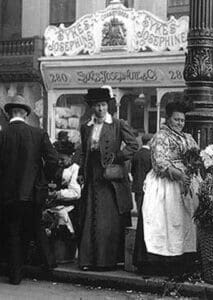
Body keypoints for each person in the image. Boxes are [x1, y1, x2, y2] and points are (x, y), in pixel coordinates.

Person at [0, 95, 59, 285]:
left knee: (13, 232)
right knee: (36, 227)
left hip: (8, 194)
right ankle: (49, 267)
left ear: (11, 113)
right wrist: (44, 179)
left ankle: (15, 275)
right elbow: (53, 160)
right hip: (33, 191)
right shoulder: (38, 134)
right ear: (25, 114)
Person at [133, 101, 199, 276]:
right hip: (167, 182)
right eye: (176, 119)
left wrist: (192, 170)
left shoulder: (187, 137)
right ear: (168, 119)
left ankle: (183, 260)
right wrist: (179, 175)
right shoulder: (161, 136)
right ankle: (160, 263)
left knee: (184, 220)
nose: (180, 123)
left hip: (185, 181)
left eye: (182, 120)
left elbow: (195, 157)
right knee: (163, 219)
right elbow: (160, 161)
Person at [78, 87, 138, 271]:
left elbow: (133, 145)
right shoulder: (86, 127)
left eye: (103, 105)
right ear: (92, 107)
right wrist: (81, 172)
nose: (101, 109)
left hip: (111, 179)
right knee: (90, 217)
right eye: (97, 106)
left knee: (107, 220)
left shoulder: (118, 124)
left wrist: (118, 156)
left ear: (108, 106)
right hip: (92, 176)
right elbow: (83, 152)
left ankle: (108, 261)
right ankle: (89, 260)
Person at [131, 133, 153, 212]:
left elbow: (132, 170)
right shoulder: (151, 155)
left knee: (139, 208)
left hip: (137, 185)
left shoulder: (136, 154)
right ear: (149, 142)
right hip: (148, 186)